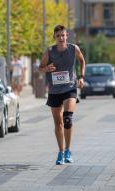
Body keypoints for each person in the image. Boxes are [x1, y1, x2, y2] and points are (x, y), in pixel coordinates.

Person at [39, 25, 85, 165]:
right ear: (54, 37)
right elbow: (40, 68)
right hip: (54, 91)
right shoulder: (49, 51)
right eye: (58, 35)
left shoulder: (73, 49)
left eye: (63, 35)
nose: (61, 38)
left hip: (70, 88)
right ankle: (61, 152)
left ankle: (68, 150)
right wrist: (46, 68)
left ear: (67, 36)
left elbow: (82, 61)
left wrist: (82, 77)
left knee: (67, 119)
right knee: (58, 124)